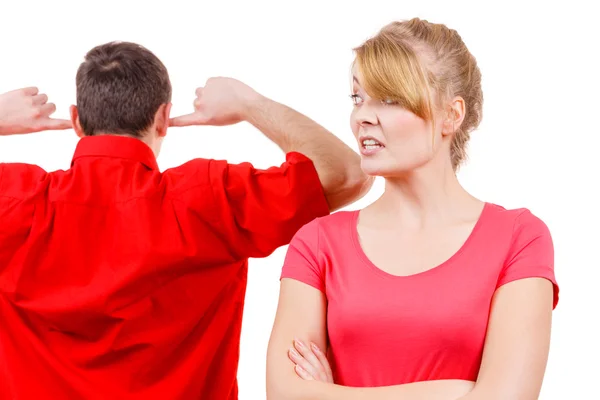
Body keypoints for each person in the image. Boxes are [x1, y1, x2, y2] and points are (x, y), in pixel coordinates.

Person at [0, 42, 371, 399]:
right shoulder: (207, 200)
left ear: (77, 121)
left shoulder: (13, 201)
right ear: (164, 118)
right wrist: (248, 104)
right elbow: (348, 174)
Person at [267, 18, 559, 400]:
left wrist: (331, 394)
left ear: (451, 115)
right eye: (358, 98)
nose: (363, 117)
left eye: (389, 99)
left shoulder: (519, 237)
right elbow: (284, 394)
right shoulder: (318, 243)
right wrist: (454, 392)